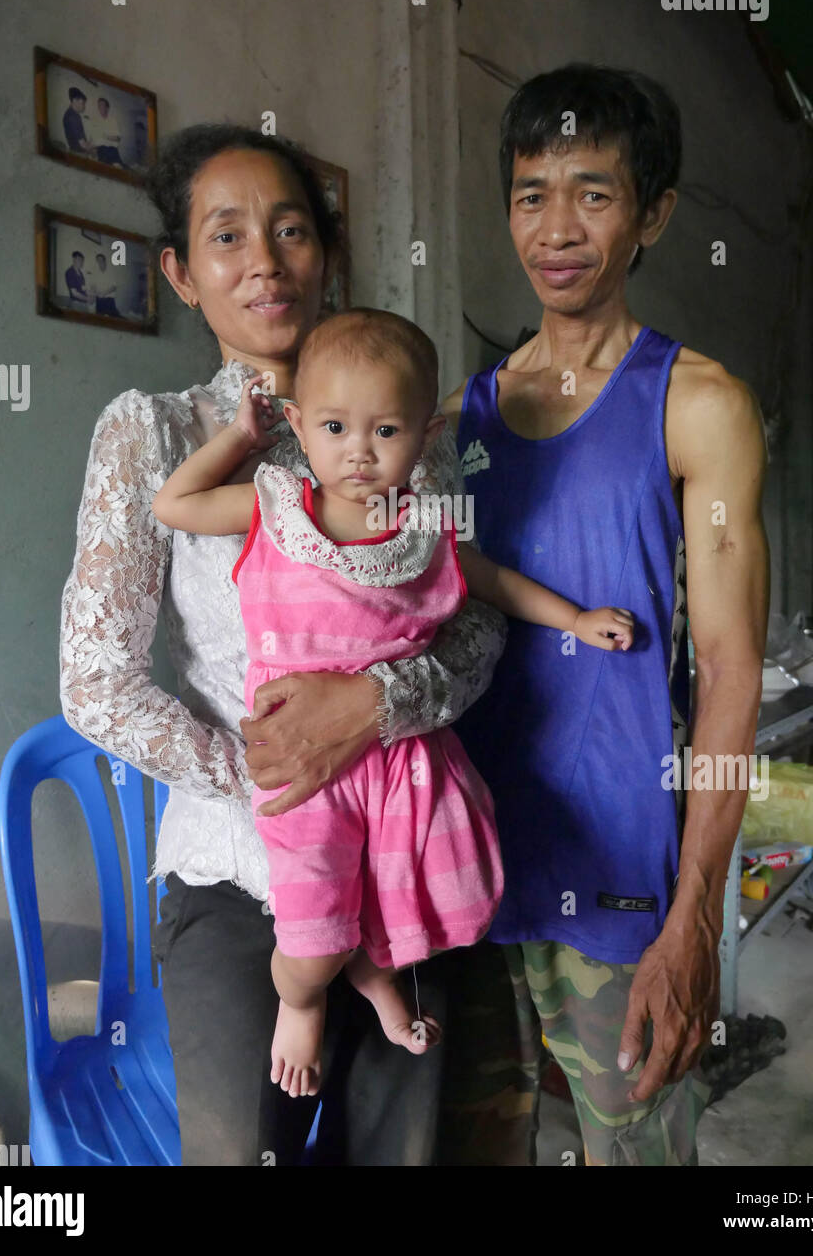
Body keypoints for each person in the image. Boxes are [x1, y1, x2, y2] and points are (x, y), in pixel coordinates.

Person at [59, 124, 511, 1166]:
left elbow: (479, 624)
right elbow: (96, 682)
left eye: (291, 229)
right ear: (180, 272)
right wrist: (272, 776)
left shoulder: (401, 432)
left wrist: (379, 708)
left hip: (402, 850)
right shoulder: (157, 434)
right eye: (226, 237)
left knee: (401, 1151)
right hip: (233, 869)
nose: (264, 258)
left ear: (325, 255)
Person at [152, 308, 634, 1099]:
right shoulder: (273, 510)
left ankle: (376, 983)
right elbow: (175, 505)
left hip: (401, 756)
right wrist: (239, 439)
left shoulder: (424, 530)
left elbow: (494, 585)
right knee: (311, 937)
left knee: (407, 896)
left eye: (386, 430)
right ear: (301, 426)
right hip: (302, 765)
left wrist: (576, 619)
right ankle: (301, 1002)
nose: (360, 451)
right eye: (336, 426)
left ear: (425, 433)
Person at [442, 62, 770, 1166]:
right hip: (463, 856)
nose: (558, 226)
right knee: (475, 1142)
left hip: (621, 870)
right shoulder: (454, 419)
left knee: (632, 1151)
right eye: (533, 193)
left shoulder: (697, 402)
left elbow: (729, 667)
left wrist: (696, 912)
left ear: (654, 216)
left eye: (594, 191)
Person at [92, 96, 126, 167]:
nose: (100, 107)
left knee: (120, 168)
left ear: (107, 108)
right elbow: (93, 137)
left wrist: (105, 136)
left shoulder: (113, 121)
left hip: (112, 150)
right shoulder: (95, 120)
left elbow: (118, 138)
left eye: (102, 105)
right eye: (99, 106)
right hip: (101, 151)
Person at [62, 87, 95, 156]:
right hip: (79, 154)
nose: (84, 106)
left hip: (75, 152)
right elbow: (83, 146)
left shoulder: (69, 114)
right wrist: (94, 149)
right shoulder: (73, 117)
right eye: (83, 103)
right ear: (74, 100)